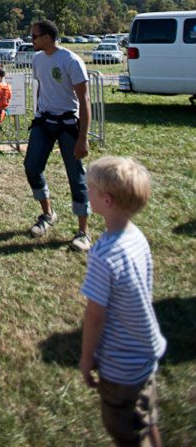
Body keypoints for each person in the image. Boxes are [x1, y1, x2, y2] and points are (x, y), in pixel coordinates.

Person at [80, 156, 166, 447]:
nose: (85, 190)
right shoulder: (137, 237)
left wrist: (86, 356)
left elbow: (95, 314)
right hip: (147, 353)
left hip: (121, 367)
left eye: (89, 188)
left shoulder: (103, 255)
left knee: (126, 430)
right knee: (147, 416)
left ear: (106, 200)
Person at [24, 19, 92, 251]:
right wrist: (39, 112)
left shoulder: (71, 61)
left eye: (34, 36)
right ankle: (47, 214)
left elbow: (84, 100)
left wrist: (82, 138)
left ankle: (83, 232)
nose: (30, 40)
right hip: (44, 122)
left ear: (47, 37)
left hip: (68, 124)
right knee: (32, 167)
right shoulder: (37, 59)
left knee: (76, 175)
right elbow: (43, 86)